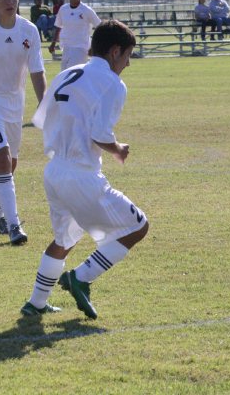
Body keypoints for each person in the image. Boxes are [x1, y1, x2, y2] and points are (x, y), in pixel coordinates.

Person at [22, 20, 148, 319]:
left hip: (54, 171)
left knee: (64, 239)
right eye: (128, 55)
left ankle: (36, 303)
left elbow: (42, 119)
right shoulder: (113, 83)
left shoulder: (67, 73)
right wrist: (117, 149)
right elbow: (100, 134)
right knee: (138, 226)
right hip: (81, 173)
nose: (128, 64)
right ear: (115, 51)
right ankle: (81, 277)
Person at [0, 0, 46, 245]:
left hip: (13, 105)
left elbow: (37, 72)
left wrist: (46, 106)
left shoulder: (29, 31)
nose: (11, 1)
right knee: (3, 156)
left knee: (11, 162)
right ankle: (14, 225)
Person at [48, 0, 102, 70]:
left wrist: (93, 46)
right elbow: (59, 26)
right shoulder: (63, 9)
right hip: (66, 48)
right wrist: (53, 43)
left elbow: (100, 27)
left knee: (73, 77)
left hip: (80, 49)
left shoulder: (86, 10)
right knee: (64, 77)